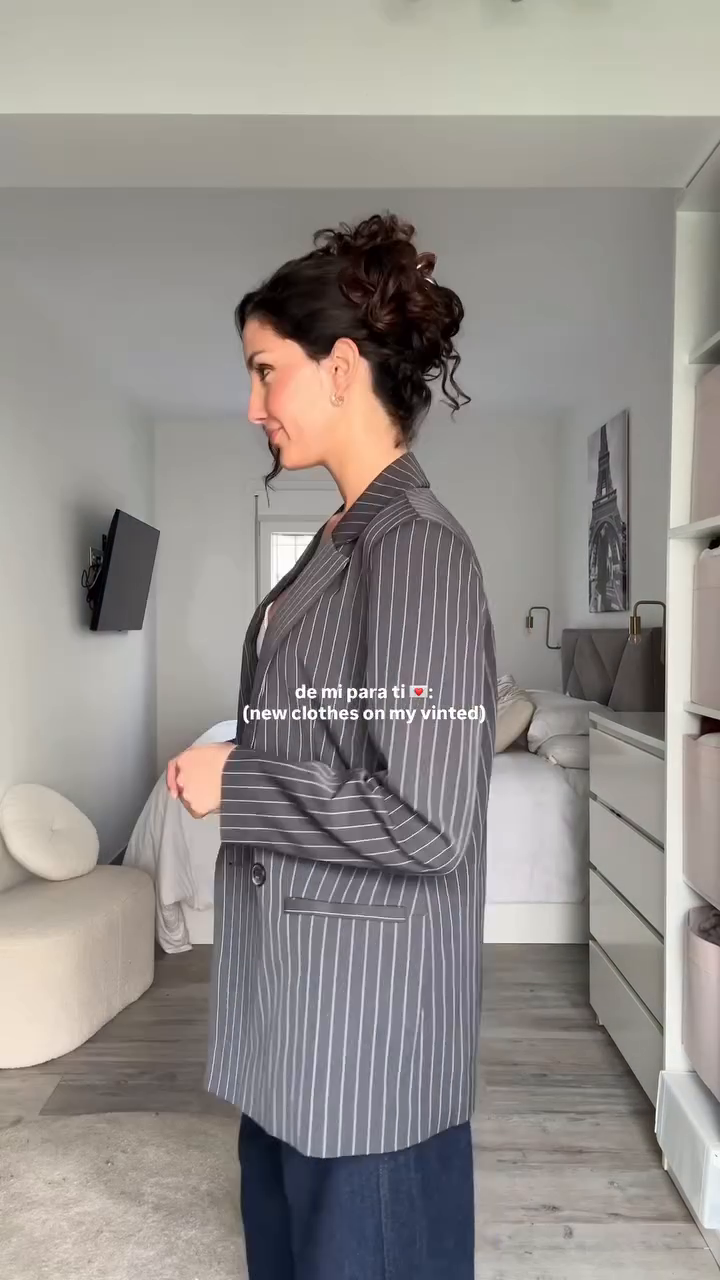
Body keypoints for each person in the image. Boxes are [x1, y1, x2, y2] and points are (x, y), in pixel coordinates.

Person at [166, 212, 497, 1280]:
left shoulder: (417, 550)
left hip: (367, 1044)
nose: (253, 405)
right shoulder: (340, 536)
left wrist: (241, 782)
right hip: (297, 1021)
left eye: (266, 371)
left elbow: (429, 821)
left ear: (342, 367)